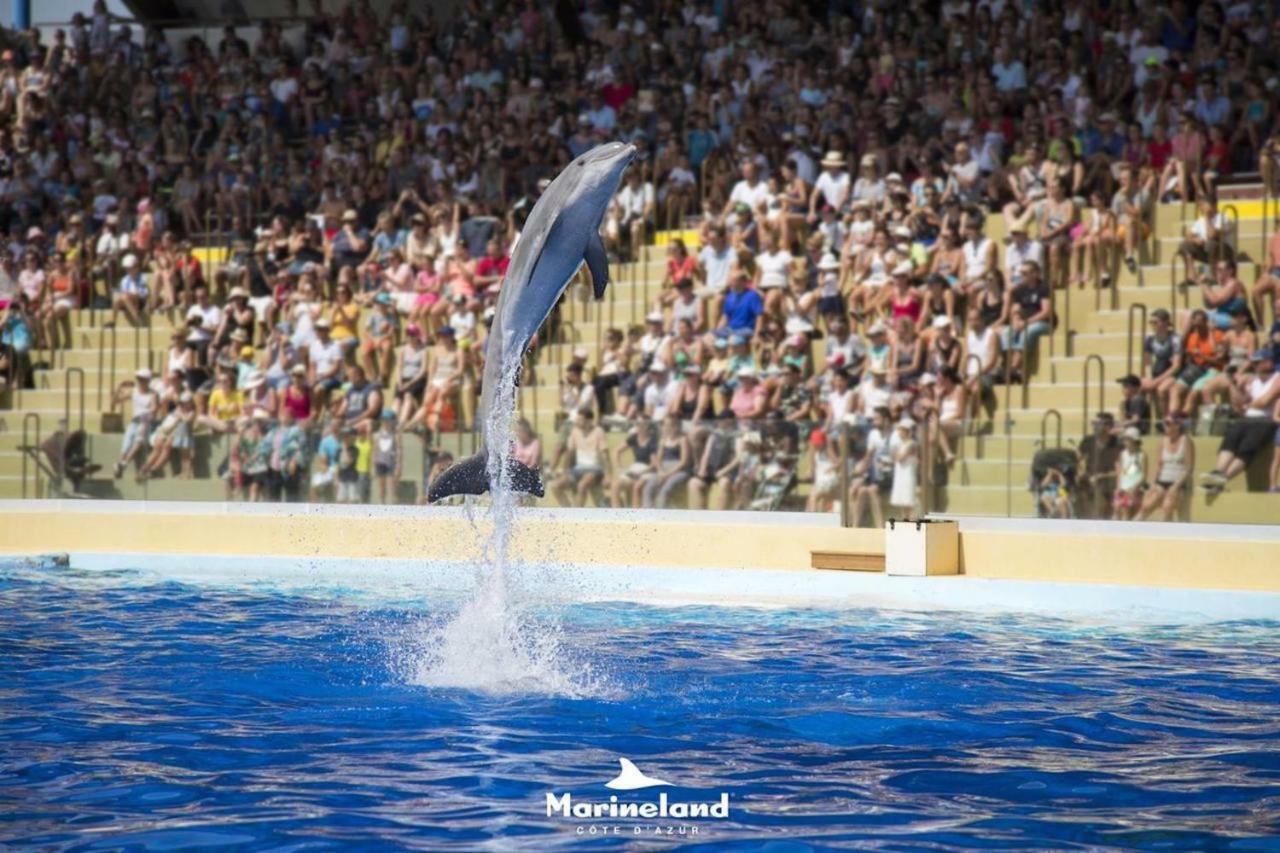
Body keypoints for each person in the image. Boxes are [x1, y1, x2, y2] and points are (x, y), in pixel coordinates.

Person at [1200, 347, 1280, 493]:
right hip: (1247, 418)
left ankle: (1222, 479)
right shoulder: (1253, 381)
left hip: (1265, 420)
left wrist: (1246, 404)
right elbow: (1239, 404)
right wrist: (1232, 384)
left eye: (1258, 362)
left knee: (1247, 448)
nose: (1254, 366)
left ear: (1269, 362)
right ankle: (1218, 473)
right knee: (1230, 440)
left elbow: (1265, 401)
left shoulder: (1277, 378)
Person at [1138, 415, 1195, 522]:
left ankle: (1163, 535)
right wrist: (1153, 484)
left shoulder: (1186, 441)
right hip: (1162, 481)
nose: (1165, 426)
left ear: (1177, 425)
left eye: (1168, 423)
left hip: (1180, 483)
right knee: (1146, 506)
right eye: (1164, 423)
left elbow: (1189, 468)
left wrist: (1175, 486)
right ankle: (1131, 529)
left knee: (1166, 507)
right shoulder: (1162, 441)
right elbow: (1159, 465)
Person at [551, 408, 608, 507]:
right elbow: (570, 453)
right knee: (555, 486)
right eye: (577, 419)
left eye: (580, 419)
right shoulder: (575, 431)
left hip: (595, 469)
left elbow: (605, 454)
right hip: (578, 469)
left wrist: (608, 475)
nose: (577, 422)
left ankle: (578, 514)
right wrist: (565, 471)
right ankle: (569, 512)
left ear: (589, 421)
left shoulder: (598, 431)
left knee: (582, 485)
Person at [113, 368, 158, 479]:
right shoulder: (134, 391)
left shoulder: (153, 394)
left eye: (143, 379)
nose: (140, 381)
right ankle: (121, 465)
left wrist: (145, 414)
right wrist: (119, 387)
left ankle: (123, 464)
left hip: (145, 421)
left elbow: (154, 408)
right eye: (139, 379)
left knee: (138, 441)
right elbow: (116, 401)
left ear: (148, 380)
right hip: (134, 421)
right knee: (126, 444)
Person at [1077, 412, 1121, 519]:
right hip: (1089, 479)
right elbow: (1076, 460)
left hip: (1109, 479)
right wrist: (1081, 472)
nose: (1094, 426)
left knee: (1102, 493)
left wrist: (1102, 476)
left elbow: (1122, 470)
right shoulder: (1088, 441)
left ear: (1108, 426)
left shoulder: (1118, 444)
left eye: (1097, 423)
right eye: (1093, 423)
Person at [641, 415, 691, 509]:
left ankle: (662, 516)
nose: (666, 428)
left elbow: (684, 461)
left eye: (669, 425)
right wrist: (660, 471)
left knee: (665, 490)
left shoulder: (682, 440)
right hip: (663, 469)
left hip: (678, 470)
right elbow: (658, 460)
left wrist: (667, 474)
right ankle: (648, 513)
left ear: (676, 426)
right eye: (664, 425)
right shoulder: (663, 441)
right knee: (648, 488)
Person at [1112, 426, 1148, 520]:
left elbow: (1144, 475)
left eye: (1127, 440)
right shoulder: (1123, 454)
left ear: (1134, 440)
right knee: (1117, 511)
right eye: (1124, 440)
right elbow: (1121, 473)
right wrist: (1118, 487)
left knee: (1128, 513)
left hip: (1135, 489)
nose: (1125, 442)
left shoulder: (1142, 455)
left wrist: (1134, 488)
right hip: (1123, 488)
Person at [372, 410, 401, 505]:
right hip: (380, 462)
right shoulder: (377, 435)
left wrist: (398, 465)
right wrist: (373, 465)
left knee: (391, 488)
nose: (386, 422)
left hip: (390, 462)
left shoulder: (395, 435)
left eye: (388, 420)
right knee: (381, 488)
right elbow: (375, 450)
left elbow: (398, 451)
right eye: (384, 420)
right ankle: (382, 505)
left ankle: (392, 506)